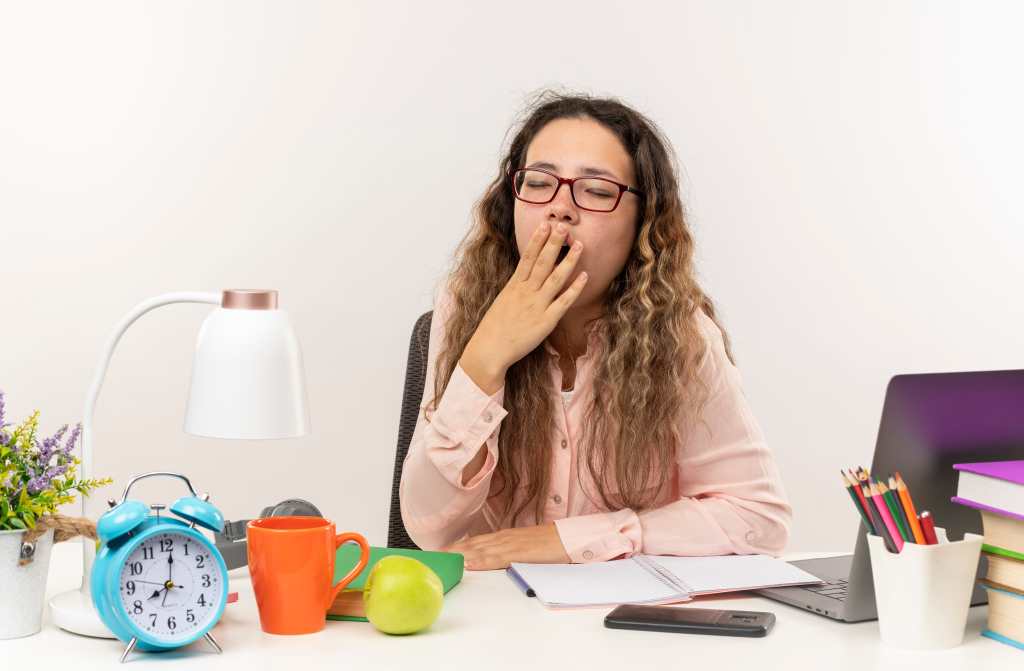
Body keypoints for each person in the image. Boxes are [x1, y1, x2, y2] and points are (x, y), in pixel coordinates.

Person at [399, 92, 792, 570]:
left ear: (643, 224)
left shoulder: (682, 333)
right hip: (492, 616)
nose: (560, 209)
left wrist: (577, 539)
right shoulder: (464, 305)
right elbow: (426, 526)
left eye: (598, 191)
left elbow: (759, 519)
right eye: (539, 183)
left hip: (627, 626)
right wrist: (485, 358)